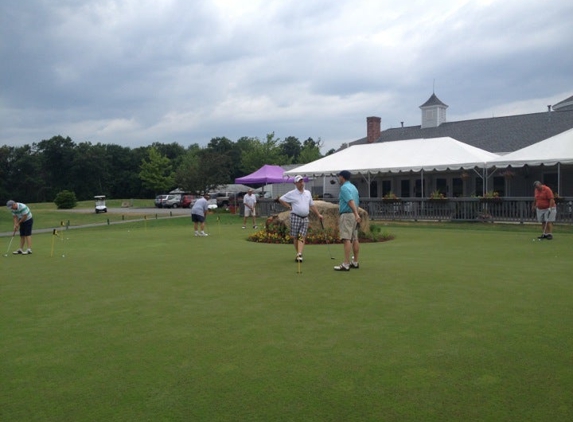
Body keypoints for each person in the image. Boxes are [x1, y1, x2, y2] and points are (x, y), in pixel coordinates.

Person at [278, 175, 323, 262]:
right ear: (295, 183)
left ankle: (299, 254)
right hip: (295, 216)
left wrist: (318, 214)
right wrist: (289, 207)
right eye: (299, 182)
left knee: (302, 235)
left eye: (302, 181)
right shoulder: (292, 193)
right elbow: (281, 199)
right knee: (295, 236)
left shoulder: (308, 193)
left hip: (305, 217)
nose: (301, 183)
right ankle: (298, 253)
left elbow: (312, 205)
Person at [334, 171, 361, 271]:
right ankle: (355, 262)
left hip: (347, 215)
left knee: (346, 239)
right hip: (354, 216)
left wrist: (356, 213)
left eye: (339, 176)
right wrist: (356, 214)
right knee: (355, 238)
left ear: (342, 177)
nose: (339, 178)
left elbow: (350, 201)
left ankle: (346, 263)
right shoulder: (353, 187)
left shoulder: (344, 188)